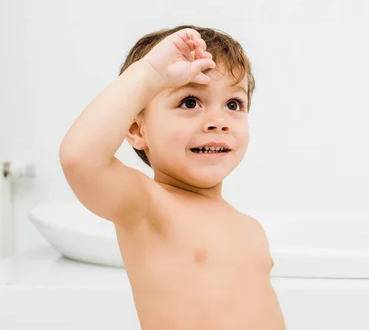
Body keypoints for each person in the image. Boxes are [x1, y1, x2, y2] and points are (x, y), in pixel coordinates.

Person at [59, 25, 286, 329]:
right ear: (138, 129)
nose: (218, 122)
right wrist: (149, 74)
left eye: (233, 104)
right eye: (190, 102)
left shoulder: (250, 227)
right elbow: (80, 159)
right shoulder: (147, 205)